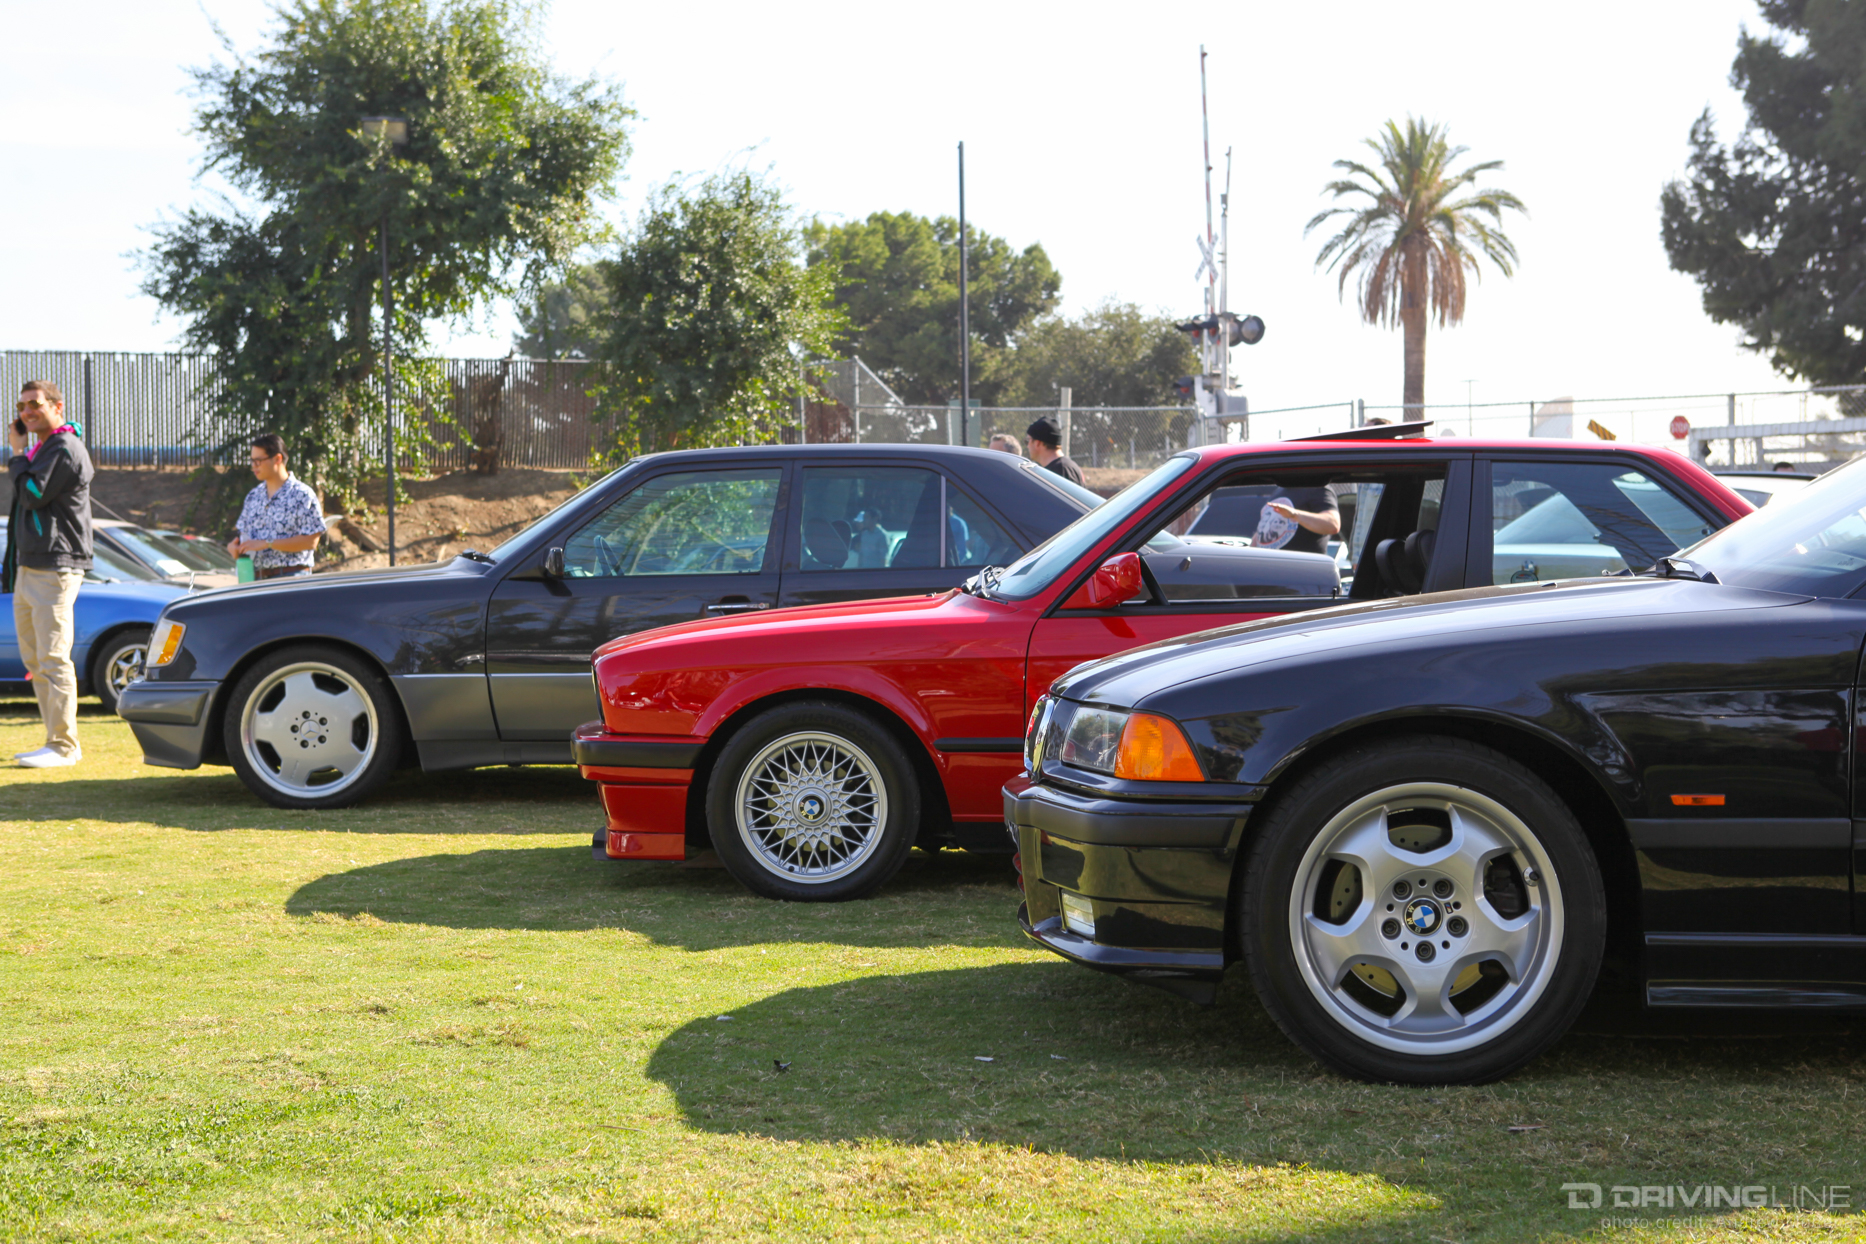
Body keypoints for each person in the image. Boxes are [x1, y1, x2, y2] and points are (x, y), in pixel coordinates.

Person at [4, 381, 95, 768]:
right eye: (22, 406)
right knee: (36, 659)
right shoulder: (43, 449)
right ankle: (53, 741)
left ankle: (64, 747)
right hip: (30, 565)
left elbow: (31, 494)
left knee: (53, 658)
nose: (27, 412)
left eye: (35, 404)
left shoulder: (63, 447)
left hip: (55, 565)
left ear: (57, 406)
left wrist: (16, 454)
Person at [228, 434, 326, 578]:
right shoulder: (253, 496)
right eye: (252, 461)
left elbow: (311, 541)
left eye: (258, 461)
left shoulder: (302, 494)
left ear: (277, 459)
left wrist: (268, 543)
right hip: (257, 579)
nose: (253, 466)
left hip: (291, 578)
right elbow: (244, 537)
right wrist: (235, 548)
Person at [1255, 485, 1341, 556]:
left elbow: (1333, 524)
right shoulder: (1278, 491)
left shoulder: (1317, 488)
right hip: (1269, 565)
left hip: (1303, 568)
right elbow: (1261, 533)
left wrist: (1294, 514)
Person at [1024, 418, 1084, 485]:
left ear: (1037, 443)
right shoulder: (1067, 466)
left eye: (1028, 440)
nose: (1027, 446)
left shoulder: (1060, 470)